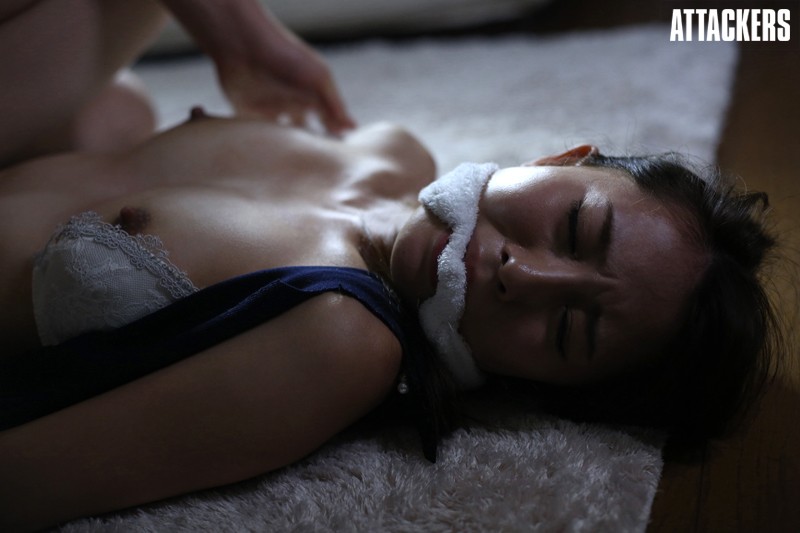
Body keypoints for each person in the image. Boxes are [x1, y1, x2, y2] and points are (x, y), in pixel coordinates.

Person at [0, 1, 781, 531]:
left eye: (568, 329)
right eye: (575, 226)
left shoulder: (341, 342)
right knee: (120, 94)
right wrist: (249, 40)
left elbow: (26, 478)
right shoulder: (392, 151)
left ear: (540, 387)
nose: (522, 274)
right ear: (560, 158)